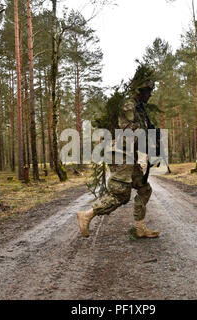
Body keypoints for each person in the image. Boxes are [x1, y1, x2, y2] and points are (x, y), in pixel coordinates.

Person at [77, 65, 160, 238]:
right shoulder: (128, 105)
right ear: (142, 90)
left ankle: (139, 227)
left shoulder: (140, 108)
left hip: (128, 154)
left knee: (144, 189)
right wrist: (148, 140)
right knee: (121, 195)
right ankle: (87, 215)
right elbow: (130, 133)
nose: (150, 94)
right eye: (149, 91)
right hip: (120, 154)